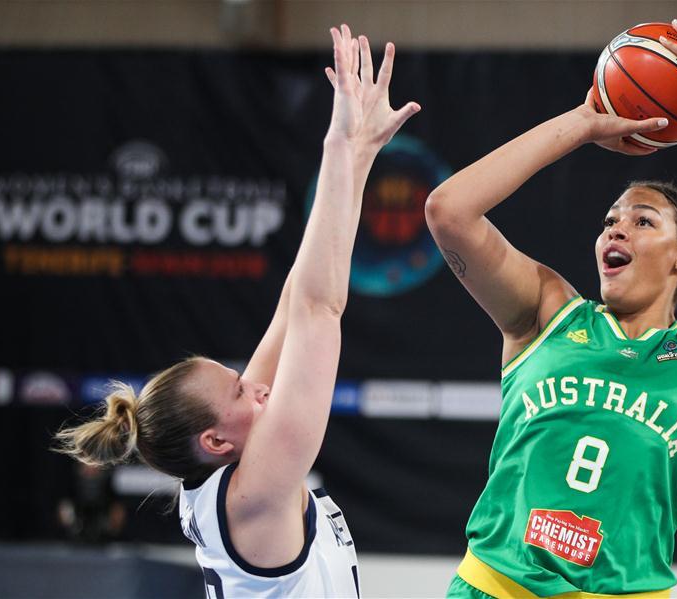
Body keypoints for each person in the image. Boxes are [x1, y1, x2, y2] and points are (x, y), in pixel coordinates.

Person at [54, 24, 420, 598]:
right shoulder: (254, 495)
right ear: (216, 441)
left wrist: (360, 152)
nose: (258, 386)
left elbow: (298, 296)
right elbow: (320, 308)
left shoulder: (233, 465)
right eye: (239, 391)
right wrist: (336, 144)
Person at [425, 20, 677, 598]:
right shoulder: (547, 313)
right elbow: (448, 211)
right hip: (497, 585)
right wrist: (582, 124)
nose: (618, 228)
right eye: (611, 220)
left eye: (643, 221)